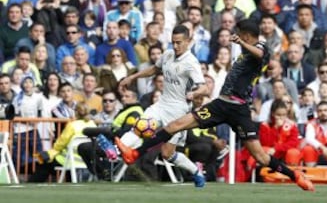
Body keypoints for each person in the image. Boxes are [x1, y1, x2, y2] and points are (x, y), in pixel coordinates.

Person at [116, 19, 315, 191]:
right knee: (173, 126)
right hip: (220, 104)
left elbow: (259, 54)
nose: (236, 37)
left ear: (246, 35)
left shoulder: (261, 48)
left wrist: (243, 44)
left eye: (239, 34)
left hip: (239, 110)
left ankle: (295, 176)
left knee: (262, 157)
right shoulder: (245, 52)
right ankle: (135, 152)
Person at [118, 25, 208, 187]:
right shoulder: (167, 54)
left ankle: (195, 171)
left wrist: (194, 94)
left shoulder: (191, 63)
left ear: (188, 41)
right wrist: (133, 77)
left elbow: (204, 87)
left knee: (167, 154)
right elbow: (154, 69)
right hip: (161, 104)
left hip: (179, 112)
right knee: (141, 125)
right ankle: (117, 151)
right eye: (173, 42)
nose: (176, 46)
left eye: (179, 42)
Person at [28, 102, 97, 182]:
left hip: (68, 160)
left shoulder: (72, 125)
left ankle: (32, 184)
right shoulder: (93, 125)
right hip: (87, 161)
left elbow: (59, 145)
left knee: (44, 162)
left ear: (76, 112)